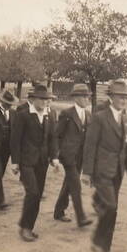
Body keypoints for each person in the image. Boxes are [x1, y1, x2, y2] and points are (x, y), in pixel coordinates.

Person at [81, 79, 127, 252]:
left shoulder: (126, 119)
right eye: (120, 97)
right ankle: (97, 242)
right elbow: (90, 145)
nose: (123, 100)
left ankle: (105, 247)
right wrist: (87, 172)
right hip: (102, 170)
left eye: (126, 97)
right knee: (111, 207)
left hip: (118, 171)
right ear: (111, 97)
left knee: (113, 209)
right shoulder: (100, 117)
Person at [10, 85, 60, 242]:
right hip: (26, 162)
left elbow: (52, 139)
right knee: (32, 192)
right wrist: (15, 161)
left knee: (37, 195)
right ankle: (24, 227)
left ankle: (29, 227)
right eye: (43, 99)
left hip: (42, 162)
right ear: (34, 99)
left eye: (47, 99)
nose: (46, 102)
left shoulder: (50, 115)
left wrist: (54, 158)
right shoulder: (23, 115)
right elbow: (15, 140)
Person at [53, 84, 93, 227]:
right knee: (76, 184)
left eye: (88, 96)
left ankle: (58, 211)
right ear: (76, 98)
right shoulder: (67, 114)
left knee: (68, 184)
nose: (87, 98)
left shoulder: (88, 114)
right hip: (68, 156)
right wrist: (56, 156)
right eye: (84, 96)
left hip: (81, 156)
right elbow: (57, 135)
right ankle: (81, 217)